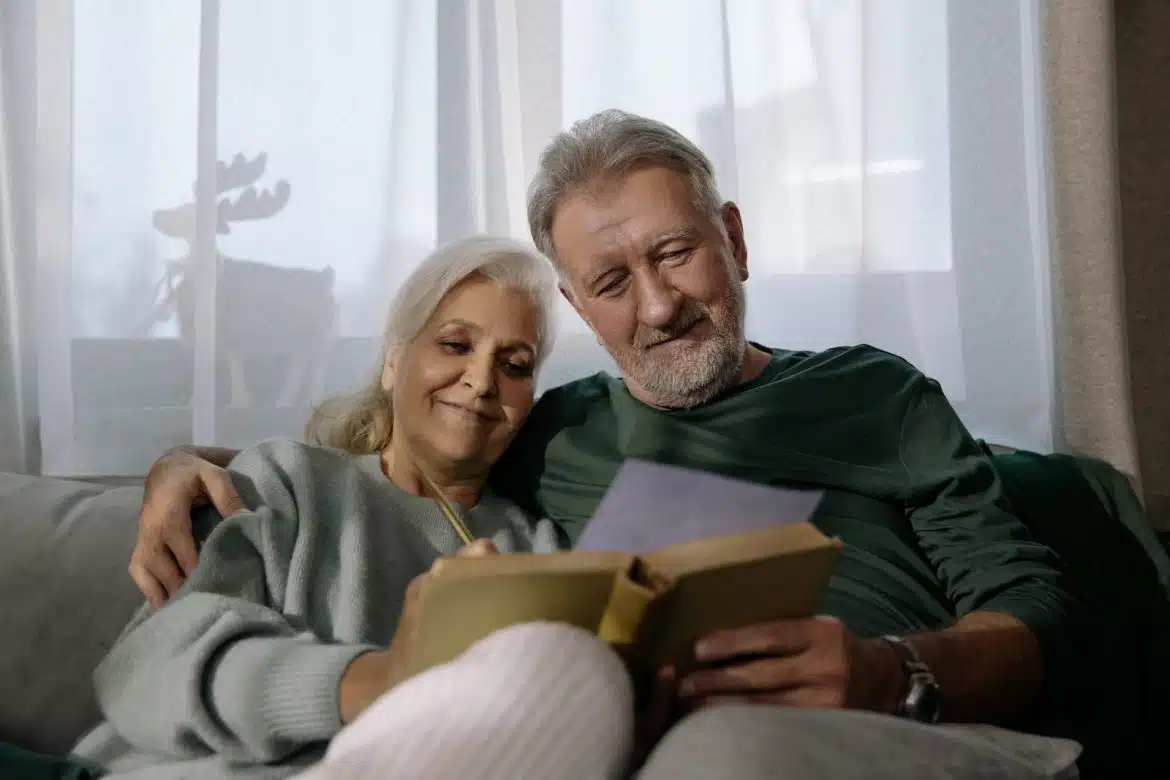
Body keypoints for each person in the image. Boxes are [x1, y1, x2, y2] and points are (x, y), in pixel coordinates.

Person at [127, 110, 1083, 779]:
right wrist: (187, 466)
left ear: (735, 241)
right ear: (577, 304)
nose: (660, 306)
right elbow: (405, 450)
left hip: (893, 728)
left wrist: (893, 673)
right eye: (613, 280)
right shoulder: (551, 430)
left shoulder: (875, 394)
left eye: (675, 254)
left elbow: (1037, 611)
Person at [4, 236, 599, 779]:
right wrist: (378, 679)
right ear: (393, 362)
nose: (481, 379)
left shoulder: (537, 551)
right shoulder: (284, 484)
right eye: (455, 344)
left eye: (514, 364)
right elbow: (142, 673)